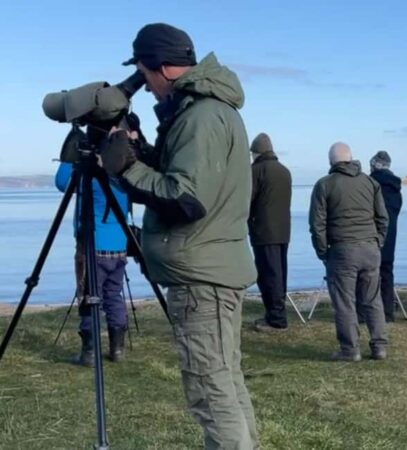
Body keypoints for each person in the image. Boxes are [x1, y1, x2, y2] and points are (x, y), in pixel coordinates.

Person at [101, 23, 259, 448]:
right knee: (225, 382)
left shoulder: (200, 115)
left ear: (162, 69)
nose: (146, 87)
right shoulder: (209, 110)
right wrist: (143, 152)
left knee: (211, 391)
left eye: (144, 74)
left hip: (200, 275)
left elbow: (186, 198)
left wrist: (125, 168)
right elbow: (187, 178)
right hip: (212, 266)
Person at [55, 128, 130, 366]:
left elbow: (62, 182)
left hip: (92, 247)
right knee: (113, 295)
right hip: (119, 247)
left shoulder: (93, 176)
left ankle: (89, 352)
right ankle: (117, 350)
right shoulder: (122, 172)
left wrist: (71, 151)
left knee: (89, 296)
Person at [309, 142, 390, 361]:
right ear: (352, 158)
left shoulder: (324, 185)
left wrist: (322, 252)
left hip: (343, 249)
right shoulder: (370, 182)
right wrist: (378, 241)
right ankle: (379, 346)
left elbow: (317, 224)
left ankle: (350, 349)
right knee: (372, 299)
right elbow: (383, 218)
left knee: (345, 302)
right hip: (370, 248)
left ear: (330, 161)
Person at [248, 132, 292, 331]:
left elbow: (246, 201)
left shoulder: (256, 171)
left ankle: (276, 318)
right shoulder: (285, 171)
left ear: (256, 152)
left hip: (264, 231)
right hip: (283, 231)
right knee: (280, 274)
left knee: (268, 275)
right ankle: (277, 313)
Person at [369, 151, 402, 322]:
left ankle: (367, 311)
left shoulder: (372, 185)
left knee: (368, 274)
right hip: (391, 235)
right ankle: (388, 312)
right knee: (387, 271)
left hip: (373, 235)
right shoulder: (396, 187)